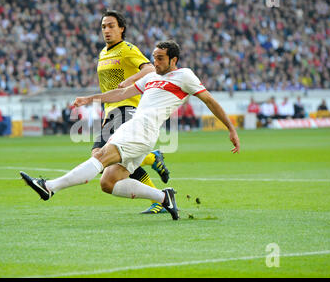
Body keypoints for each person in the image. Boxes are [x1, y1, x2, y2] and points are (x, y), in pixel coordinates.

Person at [20, 40, 240, 221]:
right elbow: (121, 94)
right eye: (154, 57)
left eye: (160, 58)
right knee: (108, 182)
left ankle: (49, 187)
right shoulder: (151, 77)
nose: (155, 62)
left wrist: (230, 128)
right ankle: (164, 197)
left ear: (174, 59)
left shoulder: (184, 76)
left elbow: (209, 100)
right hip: (137, 130)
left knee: (100, 155)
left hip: (143, 129)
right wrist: (90, 98)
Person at [92, 10, 171, 214]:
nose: (107, 30)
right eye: (103, 27)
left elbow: (149, 69)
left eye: (111, 26)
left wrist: (129, 81)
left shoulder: (127, 49)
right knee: (106, 158)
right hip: (111, 110)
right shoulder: (103, 53)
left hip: (127, 108)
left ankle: (152, 161)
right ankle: (153, 166)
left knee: (103, 157)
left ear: (121, 28)